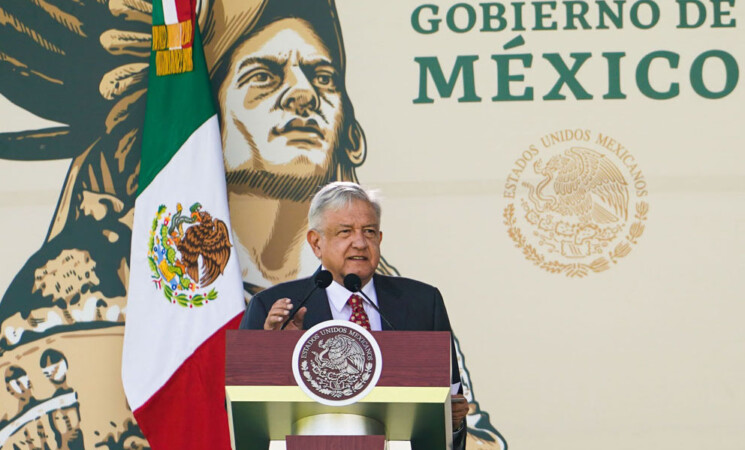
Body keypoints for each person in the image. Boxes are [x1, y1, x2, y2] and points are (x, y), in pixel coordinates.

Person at [241, 181, 468, 449]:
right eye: (345, 232)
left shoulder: (422, 303)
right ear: (316, 243)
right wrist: (275, 350)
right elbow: (246, 419)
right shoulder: (274, 308)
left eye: (369, 232)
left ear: (379, 239)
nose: (360, 242)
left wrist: (452, 423)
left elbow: (450, 404)